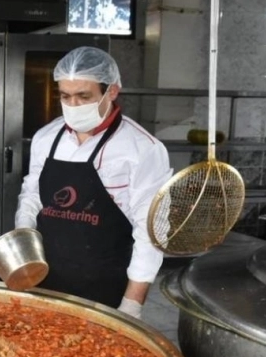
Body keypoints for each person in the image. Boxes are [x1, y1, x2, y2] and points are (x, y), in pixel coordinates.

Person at [14, 46, 172, 318]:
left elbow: (151, 232)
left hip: (105, 288)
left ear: (111, 91)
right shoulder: (46, 138)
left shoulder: (142, 149)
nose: (73, 106)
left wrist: (132, 304)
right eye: (65, 96)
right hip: (46, 279)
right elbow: (31, 195)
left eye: (83, 96)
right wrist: (24, 243)